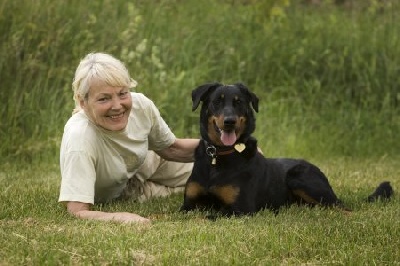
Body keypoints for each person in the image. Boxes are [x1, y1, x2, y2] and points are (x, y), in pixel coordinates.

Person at [58, 52, 199, 224]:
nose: (117, 106)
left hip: (147, 160)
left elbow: (172, 149)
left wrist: (224, 146)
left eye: (123, 93)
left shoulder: (141, 106)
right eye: (104, 99)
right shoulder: (80, 139)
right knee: (198, 188)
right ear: (82, 102)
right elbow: (77, 211)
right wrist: (120, 217)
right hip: (126, 190)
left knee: (216, 169)